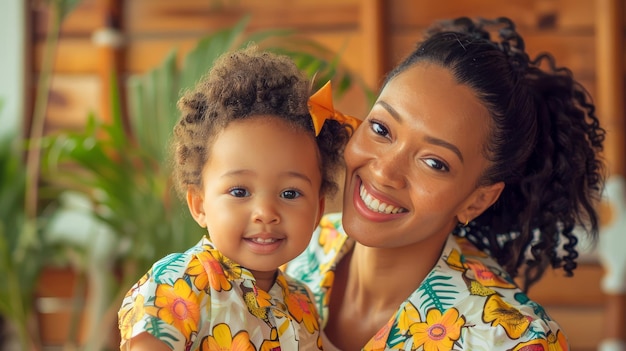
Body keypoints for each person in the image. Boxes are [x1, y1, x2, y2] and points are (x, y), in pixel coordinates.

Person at [286, 16, 606, 350]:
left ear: (477, 201)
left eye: (435, 163)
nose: (384, 172)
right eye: (381, 129)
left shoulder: (511, 341)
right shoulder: (293, 244)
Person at [117, 46, 359, 351]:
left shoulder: (302, 303)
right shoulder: (179, 282)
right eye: (239, 191)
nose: (265, 212)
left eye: (290, 193)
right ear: (199, 204)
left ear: (318, 210)